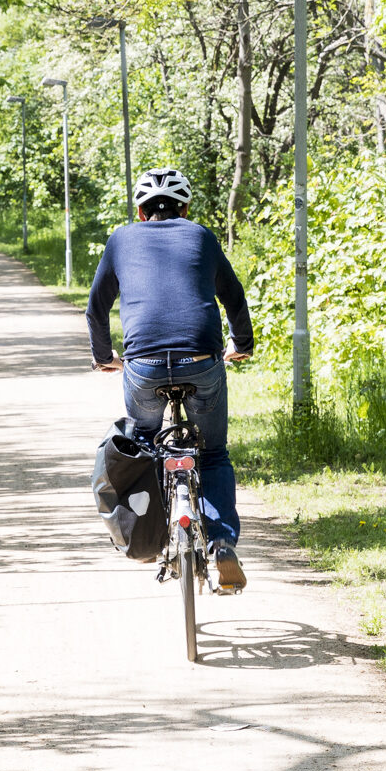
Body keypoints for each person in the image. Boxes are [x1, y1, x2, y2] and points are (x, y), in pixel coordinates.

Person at [86, 168, 254, 590]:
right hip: (201, 358)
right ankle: (221, 543)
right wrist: (242, 344)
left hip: (142, 364)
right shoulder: (200, 236)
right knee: (213, 454)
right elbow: (233, 297)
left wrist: (105, 357)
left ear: (141, 212)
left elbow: (96, 308)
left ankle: (152, 533)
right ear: (184, 208)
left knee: (144, 447)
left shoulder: (121, 239)